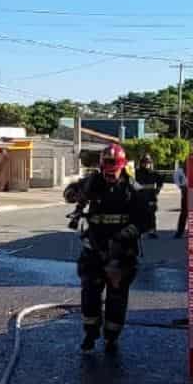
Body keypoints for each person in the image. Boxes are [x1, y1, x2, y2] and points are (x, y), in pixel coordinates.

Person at [65, 143, 145, 354]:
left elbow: (143, 223)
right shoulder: (93, 181)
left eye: (114, 172)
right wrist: (75, 193)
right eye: (106, 171)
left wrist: (120, 238)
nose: (110, 176)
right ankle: (90, 333)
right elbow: (70, 193)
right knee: (90, 292)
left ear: (122, 167)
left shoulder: (133, 189)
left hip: (121, 252)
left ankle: (111, 336)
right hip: (94, 247)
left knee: (116, 297)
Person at [173, 159, 191, 238]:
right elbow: (177, 181)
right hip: (185, 191)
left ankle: (192, 231)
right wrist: (181, 186)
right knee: (184, 212)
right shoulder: (179, 171)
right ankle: (180, 231)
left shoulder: (192, 168)